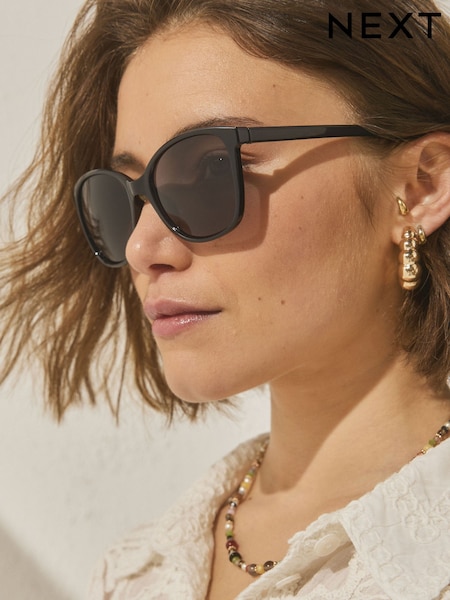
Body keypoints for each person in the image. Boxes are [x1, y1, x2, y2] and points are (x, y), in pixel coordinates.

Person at [2, 0, 450, 598]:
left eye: (212, 171)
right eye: (125, 197)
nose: (141, 247)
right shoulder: (136, 576)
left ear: (421, 187)